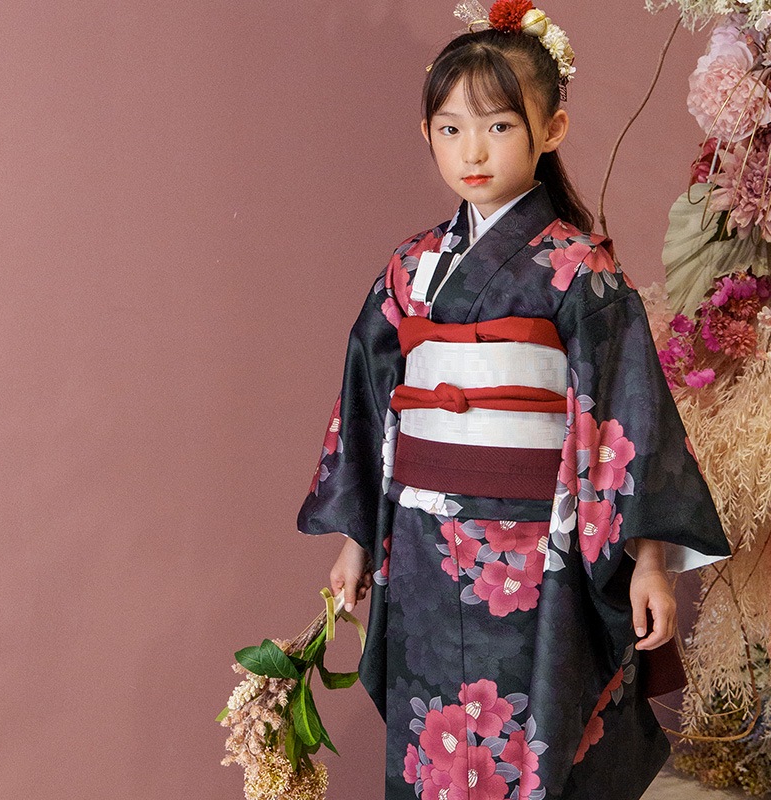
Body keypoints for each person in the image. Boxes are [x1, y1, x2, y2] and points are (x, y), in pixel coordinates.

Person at [297, 2, 731, 798]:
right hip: (422, 546)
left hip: (537, 551)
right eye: (451, 128)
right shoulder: (410, 267)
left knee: (537, 735)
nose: (472, 150)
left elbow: (629, 416)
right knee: (433, 734)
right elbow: (367, 404)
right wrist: (358, 540)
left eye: (498, 126)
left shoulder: (578, 269)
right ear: (426, 133)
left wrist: (651, 564)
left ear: (551, 129)